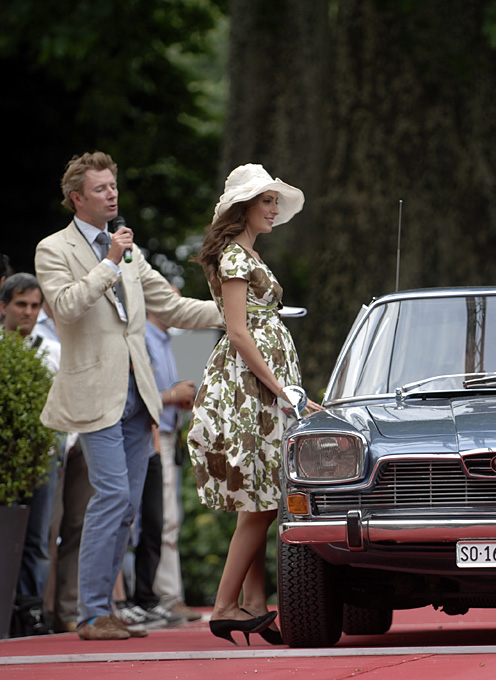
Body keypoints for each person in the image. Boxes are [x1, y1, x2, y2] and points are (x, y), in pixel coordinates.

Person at [34, 151, 223, 641]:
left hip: (141, 398)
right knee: (113, 495)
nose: (112, 194)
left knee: (129, 507)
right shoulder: (54, 249)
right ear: (77, 199)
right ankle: (92, 613)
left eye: (113, 186)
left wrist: (234, 310)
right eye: (101, 189)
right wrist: (110, 262)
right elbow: (66, 308)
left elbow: (174, 307)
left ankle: (105, 610)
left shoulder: (130, 252)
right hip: (94, 396)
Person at [187, 164, 321, 646]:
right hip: (248, 388)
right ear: (243, 206)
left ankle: (255, 606)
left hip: (257, 385)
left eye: (274, 201)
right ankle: (226, 606)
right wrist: (281, 388)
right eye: (266, 200)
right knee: (261, 502)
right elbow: (239, 332)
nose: (274, 208)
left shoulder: (243, 254)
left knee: (260, 498)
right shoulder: (234, 258)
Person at [1, 273, 61, 635]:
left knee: (38, 537)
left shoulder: (53, 350)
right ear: (3, 306)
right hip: (6, 456)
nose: (28, 312)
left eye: (35, 306)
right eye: (21, 304)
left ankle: (31, 614)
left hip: (44, 454)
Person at [145, 305, 202, 623]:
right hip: (152, 437)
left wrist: (176, 398)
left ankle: (163, 595)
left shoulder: (166, 341)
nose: (179, 310)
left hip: (168, 436)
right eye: (172, 303)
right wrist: (171, 394)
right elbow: (137, 393)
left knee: (168, 519)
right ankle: (165, 596)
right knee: (161, 520)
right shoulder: (143, 337)